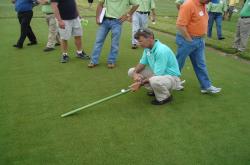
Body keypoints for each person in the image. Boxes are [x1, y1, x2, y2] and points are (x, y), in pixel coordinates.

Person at [176, 0, 221, 94]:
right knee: (178, 63)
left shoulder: (203, 4)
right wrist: (189, 39)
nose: (209, 2)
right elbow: (180, 25)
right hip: (187, 39)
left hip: (199, 40)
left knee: (201, 64)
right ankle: (172, 82)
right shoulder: (188, 4)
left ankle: (206, 86)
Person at [128, 28, 183, 105]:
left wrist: (140, 84)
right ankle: (156, 89)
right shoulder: (147, 49)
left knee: (154, 80)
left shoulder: (161, 50)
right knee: (131, 71)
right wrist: (134, 73)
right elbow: (142, 64)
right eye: (138, 41)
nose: (139, 44)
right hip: (160, 75)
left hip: (172, 78)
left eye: (141, 41)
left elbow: (157, 74)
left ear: (150, 38)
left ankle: (165, 97)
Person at [88, 0, 139, 69]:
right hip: (104, 21)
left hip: (117, 22)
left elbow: (136, 5)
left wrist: (127, 15)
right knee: (98, 41)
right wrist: (97, 17)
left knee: (115, 43)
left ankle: (111, 61)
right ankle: (93, 61)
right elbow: (100, 4)